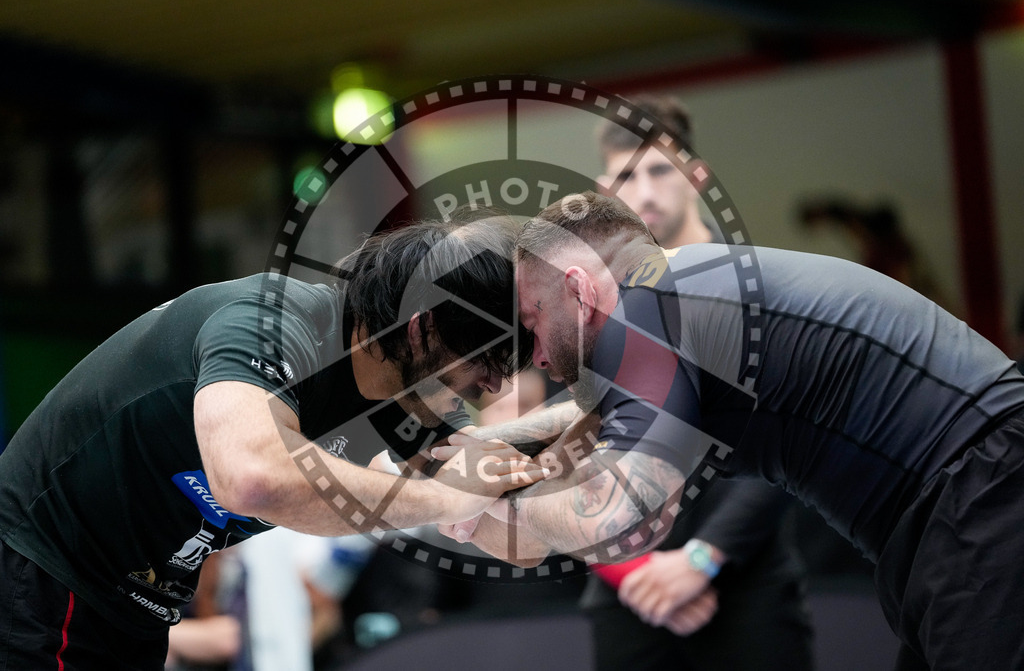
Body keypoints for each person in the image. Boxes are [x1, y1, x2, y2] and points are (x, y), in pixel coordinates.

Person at [437, 191, 1024, 670]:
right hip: (957, 504)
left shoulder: (648, 311)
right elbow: (584, 418)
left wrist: (495, 492)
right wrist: (493, 448)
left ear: (580, 291)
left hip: (984, 491)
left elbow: (616, 513)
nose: (534, 356)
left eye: (533, 319)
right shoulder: (675, 298)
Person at [0, 214, 547, 670]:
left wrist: (574, 466)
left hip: (129, 610)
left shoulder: (408, 391)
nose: (495, 386)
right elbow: (252, 481)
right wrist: (447, 497)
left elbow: (516, 542)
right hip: (34, 570)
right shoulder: (272, 321)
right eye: (489, 360)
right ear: (421, 328)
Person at [577, 94, 813, 670]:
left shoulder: (758, 284)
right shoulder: (592, 303)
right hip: (627, 597)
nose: (646, 192)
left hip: (746, 579)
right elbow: (578, 454)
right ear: (607, 189)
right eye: (628, 176)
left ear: (696, 175)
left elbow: (790, 436)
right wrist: (637, 574)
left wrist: (701, 561)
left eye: (661, 169)